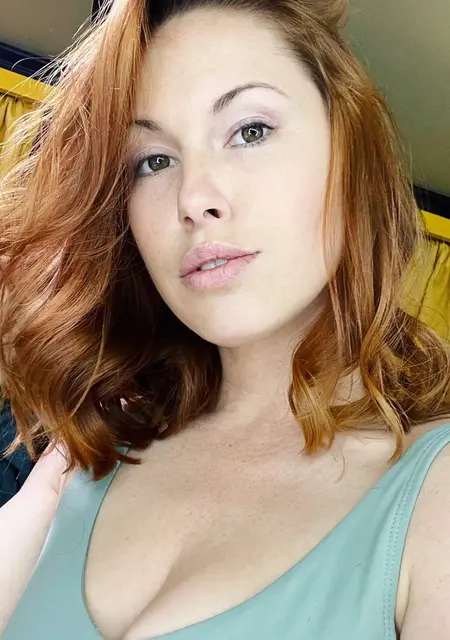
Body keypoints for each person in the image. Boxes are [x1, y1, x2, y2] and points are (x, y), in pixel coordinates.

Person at [1, 0, 450, 638]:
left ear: (351, 156)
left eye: (251, 131)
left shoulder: (434, 500)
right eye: (153, 160)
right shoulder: (83, 456)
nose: (194, 199)